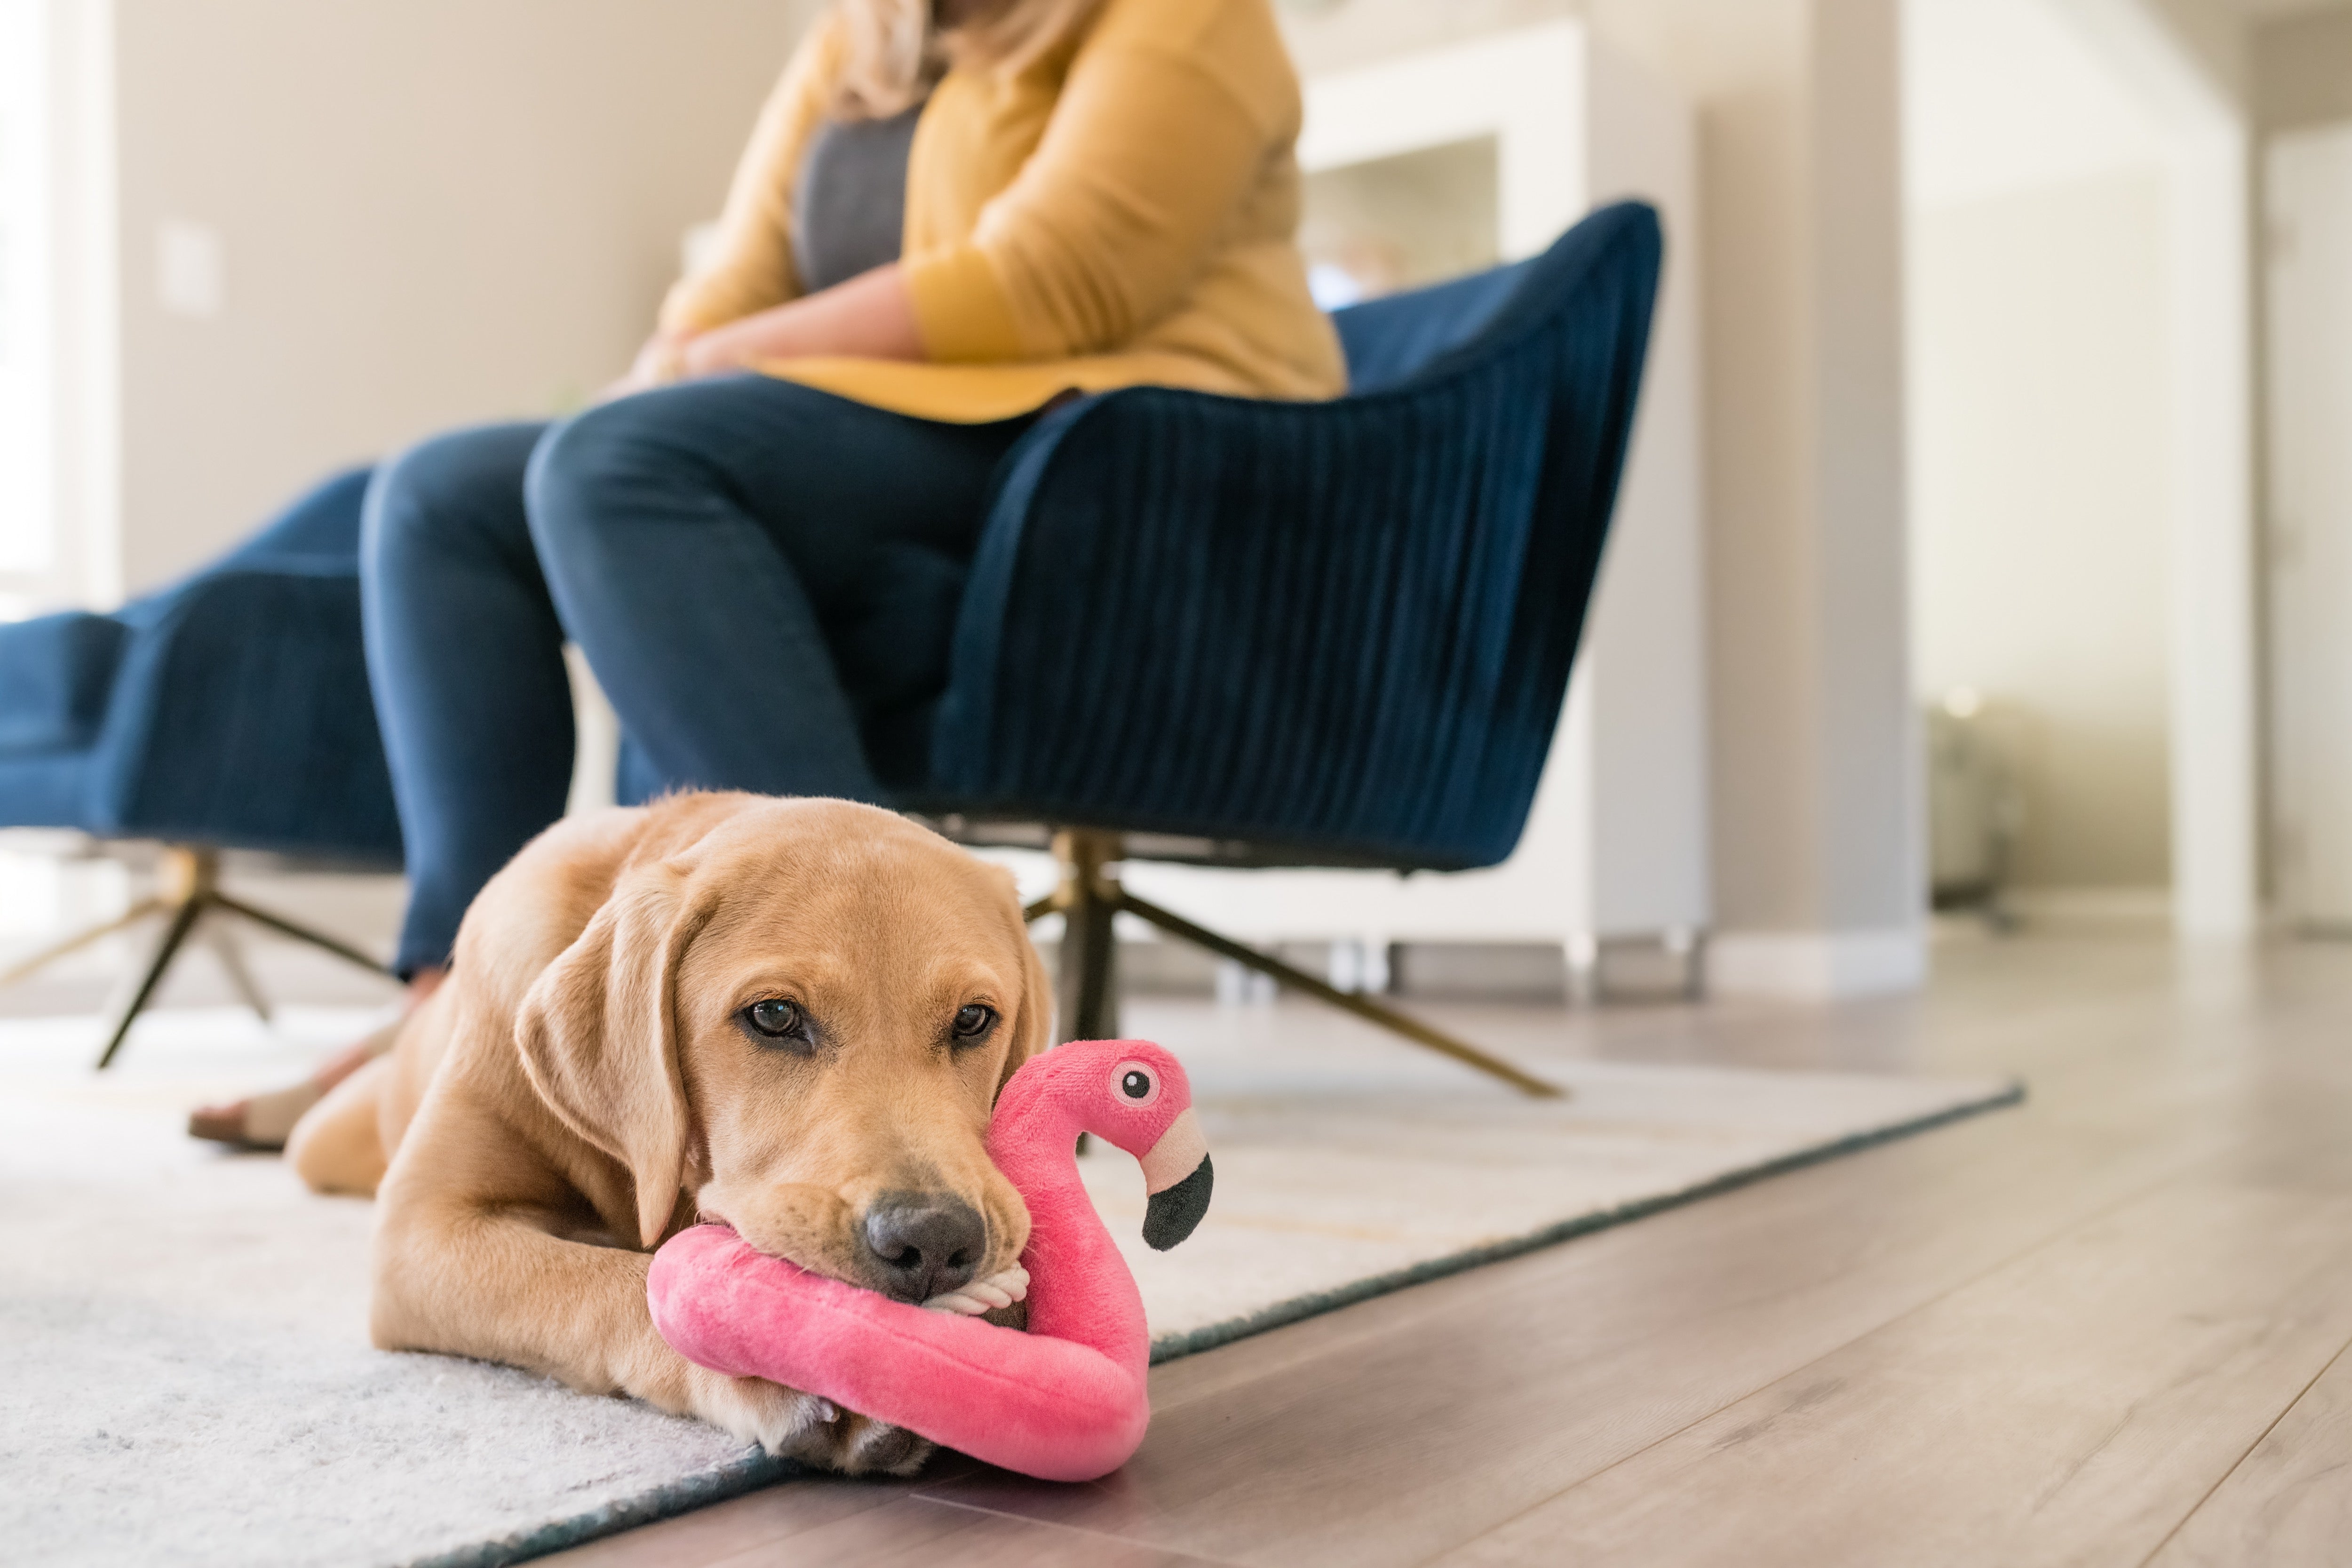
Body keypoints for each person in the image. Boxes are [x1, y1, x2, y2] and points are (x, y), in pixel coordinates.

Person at [190, 0, 1344, 1146]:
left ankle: (882, 1054)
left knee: (619, 469)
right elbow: (729, 290)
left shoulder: (1189, 15)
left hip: (1117, 454)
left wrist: (706, 368)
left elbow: (1057, 275)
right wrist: (658, 377)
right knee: (447, 491)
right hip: (903, 430)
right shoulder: (858, 43)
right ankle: (457, 1010)